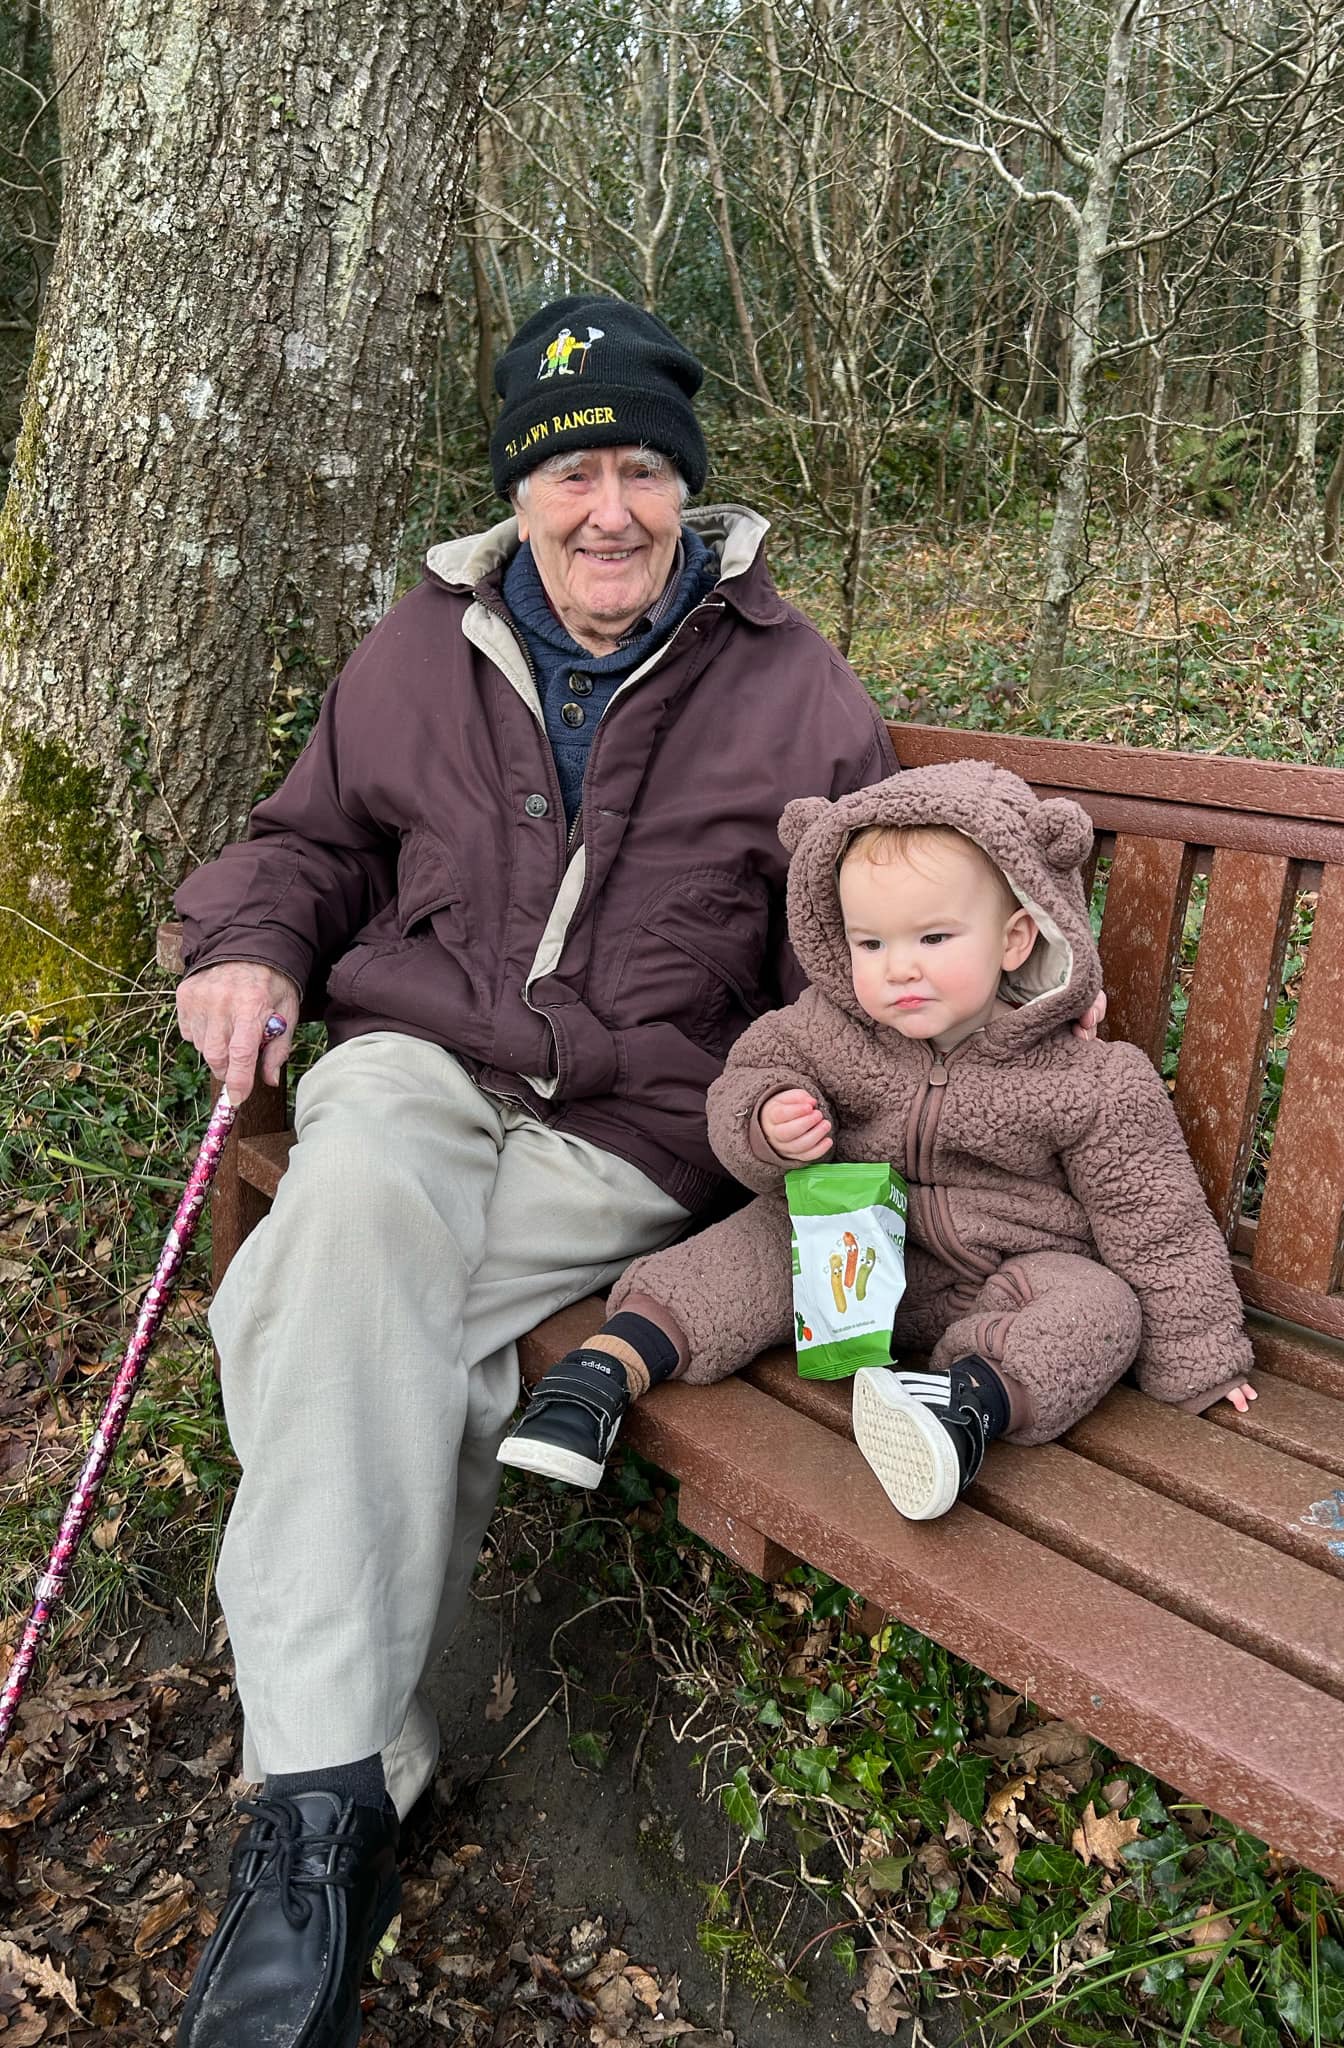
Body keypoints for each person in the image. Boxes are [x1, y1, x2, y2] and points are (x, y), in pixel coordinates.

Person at [168, 295, 903, 2048]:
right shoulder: (419, 648)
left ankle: (329, 1792)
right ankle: (331, 1797)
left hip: (625, 1131)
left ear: (690, 488)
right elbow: (308, 844)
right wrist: (248, 948)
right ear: (518, 493)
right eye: (572, 473)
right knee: (355, 1212)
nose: (609, 511)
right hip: (413, 1064)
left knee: (317, 1308)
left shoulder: (797, 689)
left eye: (643, 469)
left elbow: (858, 964)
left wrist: (950, 1070)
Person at [500, 761, 1256, 1521]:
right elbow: (747, 1080)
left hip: (1009, 1281)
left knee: (1100, 1307)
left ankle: (958, 1410)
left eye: (934, 936)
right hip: (848, 1260)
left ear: (1016, 938)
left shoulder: (1090, 1079)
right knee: (755, 1242)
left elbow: (1156, 1222)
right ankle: (603, 1372)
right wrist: (767, 1122)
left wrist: (1202, 1360)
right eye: (870, 943)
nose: (899, 968)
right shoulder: (828, 1030)